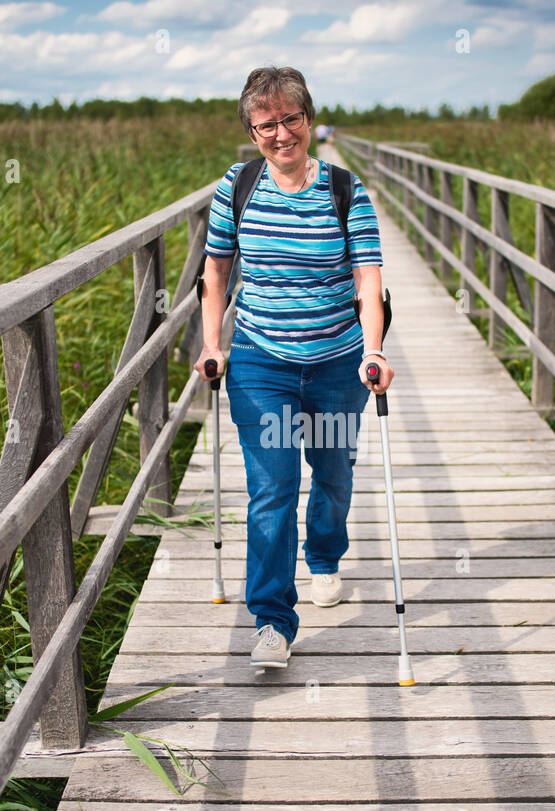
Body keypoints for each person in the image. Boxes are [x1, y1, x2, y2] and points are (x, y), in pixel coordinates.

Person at [193, 65, 393, 668]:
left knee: (332, 475)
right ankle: (273, 621)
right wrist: (212, 343)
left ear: (308, 119)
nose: (280, 133)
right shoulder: (237, 186)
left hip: (336, 362)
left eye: (290, 119)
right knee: (272, 489)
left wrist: (375, 349)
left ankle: (326, 557)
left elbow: (369, 277)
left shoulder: (344, 188)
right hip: (262, 364)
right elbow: (217, 271)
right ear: (251, 132)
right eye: (265, 125)